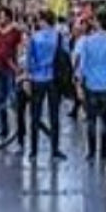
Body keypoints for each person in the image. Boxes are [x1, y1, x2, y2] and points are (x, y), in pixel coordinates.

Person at [75, 12, 106, 162]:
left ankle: (91, 152)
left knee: (91, 120)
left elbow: (82, 65)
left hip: (90, 85)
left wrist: (79, 84)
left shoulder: (87, 41)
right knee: (105, 121)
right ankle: (103, 154)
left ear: (99, 23)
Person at [25, 11, 65, 162]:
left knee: (35, 116)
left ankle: (33, 151)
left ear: (43, 20)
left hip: (37, 79)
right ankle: (55, 150)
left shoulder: (35, 37)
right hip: (54, 79)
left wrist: (28, 77)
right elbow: (64, 56)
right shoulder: (59, 36)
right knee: (54, 116)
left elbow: (30, 59)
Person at [0, 7, 23, 143]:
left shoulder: (15, 32)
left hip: (10, 69)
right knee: (0, 101)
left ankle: (20, 129)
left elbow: (20, 50)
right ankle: (4, 129)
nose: (0, 18)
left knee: (13, 99)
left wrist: (19, 67)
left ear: (8, 17)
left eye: (2, 16)